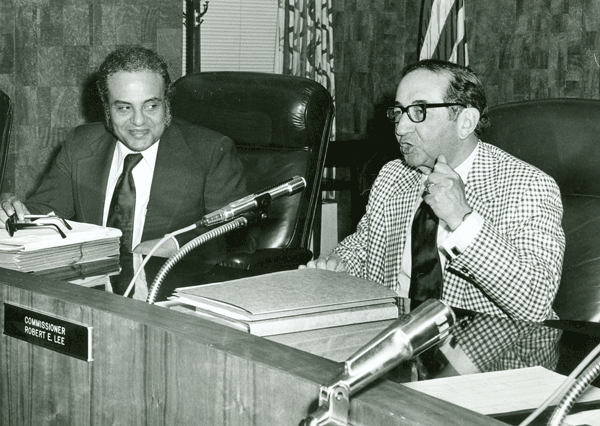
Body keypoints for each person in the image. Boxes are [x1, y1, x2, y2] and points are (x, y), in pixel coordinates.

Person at [302, 59, 565, 323]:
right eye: (398, 112)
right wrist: (337, 265)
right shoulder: (394, 175)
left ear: (465, 122)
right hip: (396, 339)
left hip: (487, 349)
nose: (400, 127)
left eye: (419, 111)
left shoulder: (526, 185)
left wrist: (463, 220)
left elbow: (536, 304)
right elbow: (364, 247)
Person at [0, 46, 253, 297]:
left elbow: (234, 234)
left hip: (168, 294)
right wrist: (12, 213)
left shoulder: (209, 151)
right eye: (124, 108)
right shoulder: (81, 144)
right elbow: (45, 211)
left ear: (167, 102)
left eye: (151, 106)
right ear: (107, 108)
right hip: (92, 289)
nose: (139, 121)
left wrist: (176, 245)